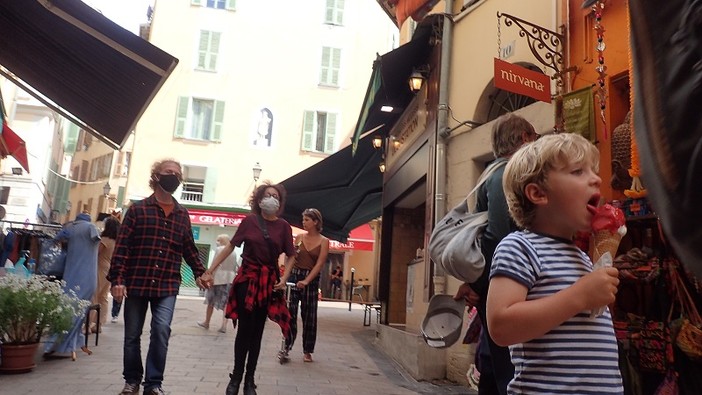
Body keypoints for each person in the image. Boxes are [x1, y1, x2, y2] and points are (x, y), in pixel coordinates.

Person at [486, 133, 623, 394]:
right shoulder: (520, 247)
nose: (596, 179)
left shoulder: (582, 257)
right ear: (538, 193)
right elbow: (501, 326)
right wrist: (580, 296)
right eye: (578, 172)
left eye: (593, 171)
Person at [107, 159, 213, 395]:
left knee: (162, 330)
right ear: (155, 176)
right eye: (168, 172)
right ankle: (132, 380)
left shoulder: (182, 215)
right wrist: (118, 280)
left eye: (177, 174)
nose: (173, 176)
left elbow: (189, 249)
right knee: (132, 335)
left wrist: (200, 272)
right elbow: (122, 247)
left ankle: (153, 384)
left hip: (166, 284)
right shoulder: (137, 210)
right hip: (137, 281)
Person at [453, 113, 538, 395]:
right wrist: (481, 286)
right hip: (505, 285)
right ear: (525, 138)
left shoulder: (496, 173)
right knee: (508, 368)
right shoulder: (505, 176)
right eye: (534, 138)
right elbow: (497, 238)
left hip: (497, 284)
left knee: (493, 363)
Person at [209, 182, 295, 395]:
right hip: (247, 280)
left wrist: (284, 278)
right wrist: (210, 270)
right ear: (259, 199)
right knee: (244, 331)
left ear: (280, 202)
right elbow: (231, 246)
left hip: (268, 283)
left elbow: (292, 254)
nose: (272, 199)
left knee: (257, 332)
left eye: (275, 196)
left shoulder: (284, 226)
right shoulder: (249, 222)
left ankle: (249, 379)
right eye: (268, 195)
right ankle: (236, 377)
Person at [43, 211, 100, 360]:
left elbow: (53, 242)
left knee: (68, 309)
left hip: (72, 274)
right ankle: (66, 344)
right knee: (77, 312)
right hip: (88, 276)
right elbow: (96, 239)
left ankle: (59, 344)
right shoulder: (91, 228)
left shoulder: (70, 228)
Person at [280, 208, 329, 363]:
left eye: (307, 220)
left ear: (316, 222)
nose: (304, 223)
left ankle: (308, 350)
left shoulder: (324, 241)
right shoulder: (299, 237)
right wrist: (284, 278)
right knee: (290, 312)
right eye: (303, 220)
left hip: (311, 279)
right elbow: (292, 258)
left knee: (309, 315)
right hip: (294, 276)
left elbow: (320, 263)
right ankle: (287, 345)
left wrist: (307, 280)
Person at [197, 234, 238, 333]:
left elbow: (214, 263)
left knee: (210, 301)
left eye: (218, 240)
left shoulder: (220, 250)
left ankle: (207, 322)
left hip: (218, 278)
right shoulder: (233, 252)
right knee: (226, 303)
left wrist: (209, 274)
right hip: (230, 279)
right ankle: (223, 325)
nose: (217, 242)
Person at [89, 216, 120, 332]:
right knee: (103, 297)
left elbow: (96, 253)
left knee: (94, 295)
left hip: (100, 267)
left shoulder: (105, 240)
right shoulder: (117, 241)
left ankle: (88, 323)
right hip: (110, 268)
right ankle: (99, 324)